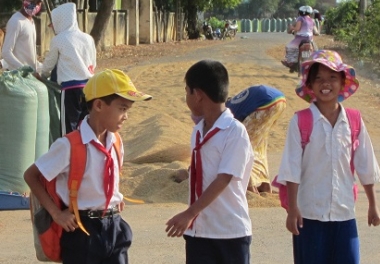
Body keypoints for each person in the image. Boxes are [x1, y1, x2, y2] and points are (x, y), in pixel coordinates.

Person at [24, 69, 152, 264]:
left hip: (114, 226)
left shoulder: (116, 141)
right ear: (99, 105)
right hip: (82, 231)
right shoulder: (68, 145)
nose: (126, 116)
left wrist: (113, 198)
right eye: (122, 108)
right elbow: (31, 175)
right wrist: (56, 214)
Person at [276, 50, 380, 264]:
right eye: (319, 79)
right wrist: (292, 209)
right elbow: (291, 168)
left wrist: (373, 204)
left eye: (332, 78)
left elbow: (365, 164)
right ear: (311, 85)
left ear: (343, 82)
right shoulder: (301, 122)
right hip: (309, 216)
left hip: (344, 214)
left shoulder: (353, 121)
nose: (326, 84)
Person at [165, 60, 254, 264]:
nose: (186, 97)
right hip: (200, 231)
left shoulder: (234, 131)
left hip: (229, 232)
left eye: (187, 91)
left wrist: (189, 212)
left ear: (198, 95)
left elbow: (223, 179)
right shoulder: (198, 131)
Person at [41, 2, 97, 135]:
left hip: (70, 89)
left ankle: (70, 155)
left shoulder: (59, 39)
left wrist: (43, 75)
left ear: (60, 20)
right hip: (89, 88)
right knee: (86, 126)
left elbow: (49, 63)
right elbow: (93, 64)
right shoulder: (88, 39)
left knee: (68, 130)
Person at [225, 85, 286, 194]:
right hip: (280, 99)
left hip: (265, 103)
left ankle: (249, 185)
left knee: (243, 145)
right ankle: (265, 184)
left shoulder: (225, 116)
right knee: (260, 145)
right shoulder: (234, 106)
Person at [1, 0, 42, 72]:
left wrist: (40, 67)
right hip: (19, 75)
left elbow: (29, 53)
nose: (35, 5)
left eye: (38, 2)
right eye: (32, 2)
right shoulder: (16, 21)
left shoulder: (31, 21)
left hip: (30, 74)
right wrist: (24, 69)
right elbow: (6, 52)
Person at [281, 6, 319, 70]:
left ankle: (290, 62)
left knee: (289, 47)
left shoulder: (300, 18)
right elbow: (316, 32)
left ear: (300, 12)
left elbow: (297, 29)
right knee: (315, 50)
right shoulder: (312, 21)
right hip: (309, 39)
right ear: (310, 13)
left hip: (300, 38)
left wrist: (292, 28)